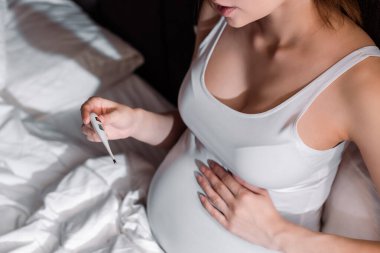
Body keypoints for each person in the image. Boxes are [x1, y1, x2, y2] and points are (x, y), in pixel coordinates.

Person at [80, 0, 380, 252]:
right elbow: (210, 139)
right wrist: (137, 123)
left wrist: (279, 235)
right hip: (142, 230)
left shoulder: (361, 84)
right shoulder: (223, 12)